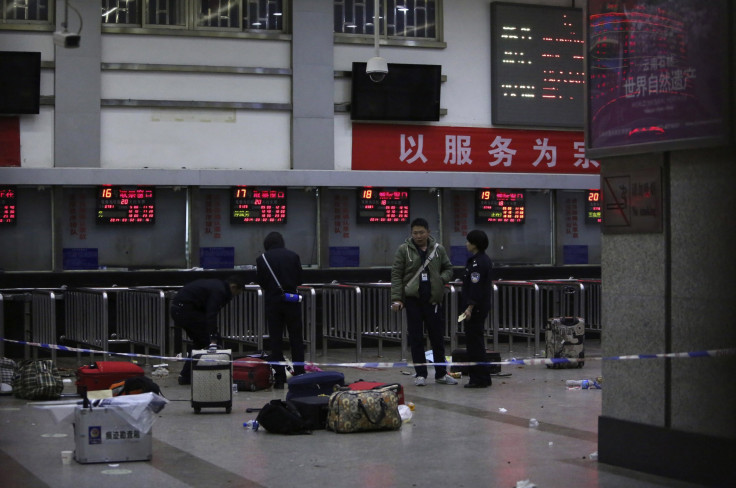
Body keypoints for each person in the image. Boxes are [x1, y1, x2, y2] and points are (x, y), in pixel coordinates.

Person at [391, 217, 457, 386]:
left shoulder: (438, 249)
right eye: (415, 233)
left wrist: (440, 279)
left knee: (437, 338)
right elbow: (397, 275)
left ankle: (441, 374)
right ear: (411, 234)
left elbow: (449, 268)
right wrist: (397, 298)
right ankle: (421, 374)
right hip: (413, 300)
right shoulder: (403, 250)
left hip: (433, 300)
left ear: (428, 232)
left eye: (421, 232)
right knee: (416, 338)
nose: (418, 236)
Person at [170, 275, 245, 385]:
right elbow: (211, 313)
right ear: (233, 287)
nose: (234, 296)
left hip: (181, 309)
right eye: (236, 293)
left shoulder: (217, 285)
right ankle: (201, 375)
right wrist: (213, 335)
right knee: (207, 341)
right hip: (186, 311)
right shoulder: (220, 291)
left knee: (200, 343)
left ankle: (187, 375)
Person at [256, 231, 306, 389]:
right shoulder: (293, 256)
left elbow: (262, 282)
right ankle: (299, 374)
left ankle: (278, 378)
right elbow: (300, 279)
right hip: (292, 300)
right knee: (296, 338)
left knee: (275, 340)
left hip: (274, 302)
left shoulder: (262, 259)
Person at [460, 229, 494, 388]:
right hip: (478, 306)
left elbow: (476, 287)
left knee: (474, 343)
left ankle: (478, 378)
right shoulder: (480, 260)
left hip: (476, 308)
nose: (466, 244)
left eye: (468, 241)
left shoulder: (478, 263)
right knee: (475, 341)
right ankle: (483, 376)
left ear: (475, 244)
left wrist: (470, 308)